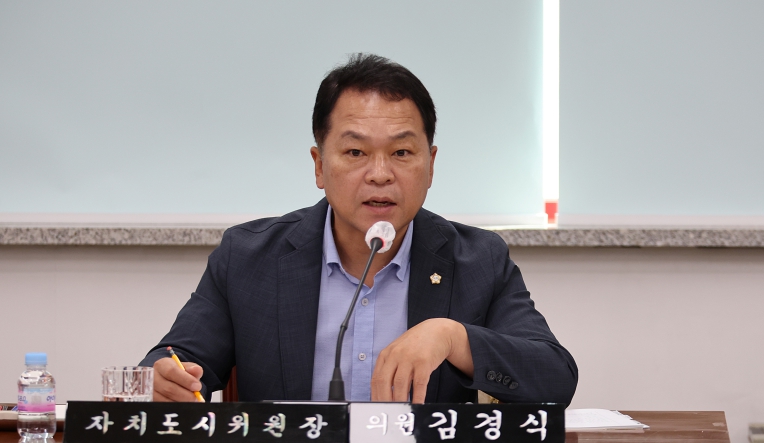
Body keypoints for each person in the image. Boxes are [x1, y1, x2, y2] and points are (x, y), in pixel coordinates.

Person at [140, 53, 577, 405]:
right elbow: (175, 359)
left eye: (402, 153)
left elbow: (554, 377)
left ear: (430, 165)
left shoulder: (478, 261)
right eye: (355, 153)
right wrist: (164, 379)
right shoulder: (249, 258)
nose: (380, 174)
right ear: (319, 165)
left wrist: (453, 337)